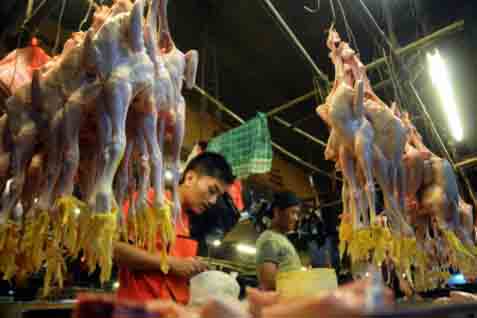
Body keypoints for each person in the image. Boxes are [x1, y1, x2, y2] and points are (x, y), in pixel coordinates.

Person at [114, 152, 235, 304]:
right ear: (190, 178)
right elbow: (114, 249)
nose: (213, 201)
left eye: (218, 195)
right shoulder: (151, 200)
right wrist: (171, 263)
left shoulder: (188, 220)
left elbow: (174, 266)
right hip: (139, 310)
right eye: (212, 190)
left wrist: (191, 266)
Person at [256, 191, 302, 291]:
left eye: (297, 214)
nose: (296, 218)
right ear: (277, 212)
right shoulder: (270, 239)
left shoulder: (281, 239)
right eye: (293, 212)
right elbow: (268, 283)